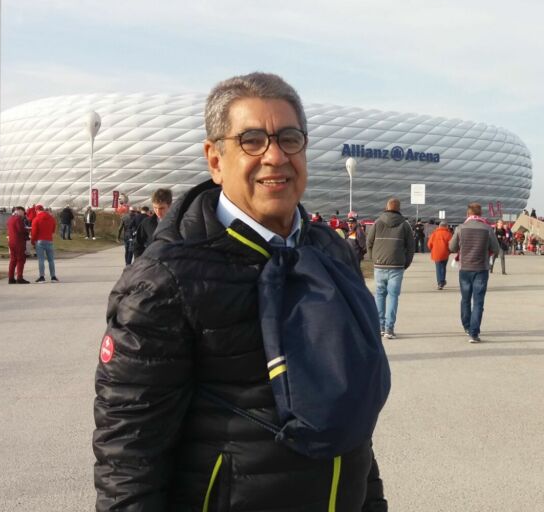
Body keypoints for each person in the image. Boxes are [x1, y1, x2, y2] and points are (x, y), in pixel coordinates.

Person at [93, 72, 387, 511]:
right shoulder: (166, 280)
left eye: (289, 138)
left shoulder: (331, 253)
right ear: (215, 159)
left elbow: (349, 415)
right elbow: (128, 455)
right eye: (252, 140)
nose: (275, 156)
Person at [449, 203, 500, 343]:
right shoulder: (487, 228)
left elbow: (452, 247)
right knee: (478, 301)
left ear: (468, 214)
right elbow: (496, 248)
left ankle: (466, 326)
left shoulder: (460, 228)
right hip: (481, 269)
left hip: (465, 268)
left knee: (465, 299)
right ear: (480, 214)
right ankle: (474, 332)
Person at [366, 197, 415, 339]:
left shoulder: (377, 222)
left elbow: (369, 242)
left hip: (380, 264)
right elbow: (411, 247)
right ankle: (389, 329)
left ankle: (380, 327)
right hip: (397, 265)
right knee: (393, 296)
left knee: (380, 295)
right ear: (399, 209)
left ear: (386, 207)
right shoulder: (405, 225)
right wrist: (406, 263)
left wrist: (373, 258)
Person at [132, 188, 173, 260]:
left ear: (169, 205)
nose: (158, 212)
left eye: (161, 208)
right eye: (155, 208)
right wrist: (140, 262)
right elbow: (137, 244)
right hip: (152, 266)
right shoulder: (147, 223)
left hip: (174, 266)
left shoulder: (179, 222)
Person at [31, 205, 58, 282]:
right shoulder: (51, 218)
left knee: (41, 260)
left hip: (40, 241)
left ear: (37, 210)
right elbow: (53, 229)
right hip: (49, 240)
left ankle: (42, 277)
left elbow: (34, 232)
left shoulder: (36, 219)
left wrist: (33, 241)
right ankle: (53, 277)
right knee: (51, 260)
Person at [6, 206, 30, 284]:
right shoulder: (18, 219)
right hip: (18, 242)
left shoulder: (10, 219)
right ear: (19, 211)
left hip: (11, 241)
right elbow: (21, 230)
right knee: (20, 259)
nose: (24, 214)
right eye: (23, 212)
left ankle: (11, 277)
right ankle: (19, 277)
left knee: (13, 260)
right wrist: (27, 231)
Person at [427, 221, 453, 289]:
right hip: (445, 253)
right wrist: (449, 251)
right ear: (446, 226)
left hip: (436, 253)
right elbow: (451, 245)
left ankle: (440, 282)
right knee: (443, 268)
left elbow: (429, 244)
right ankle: (442, 281)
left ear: (439, 226)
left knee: (438, 268)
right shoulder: (449, 234)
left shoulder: (434, 233)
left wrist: (432, 249)